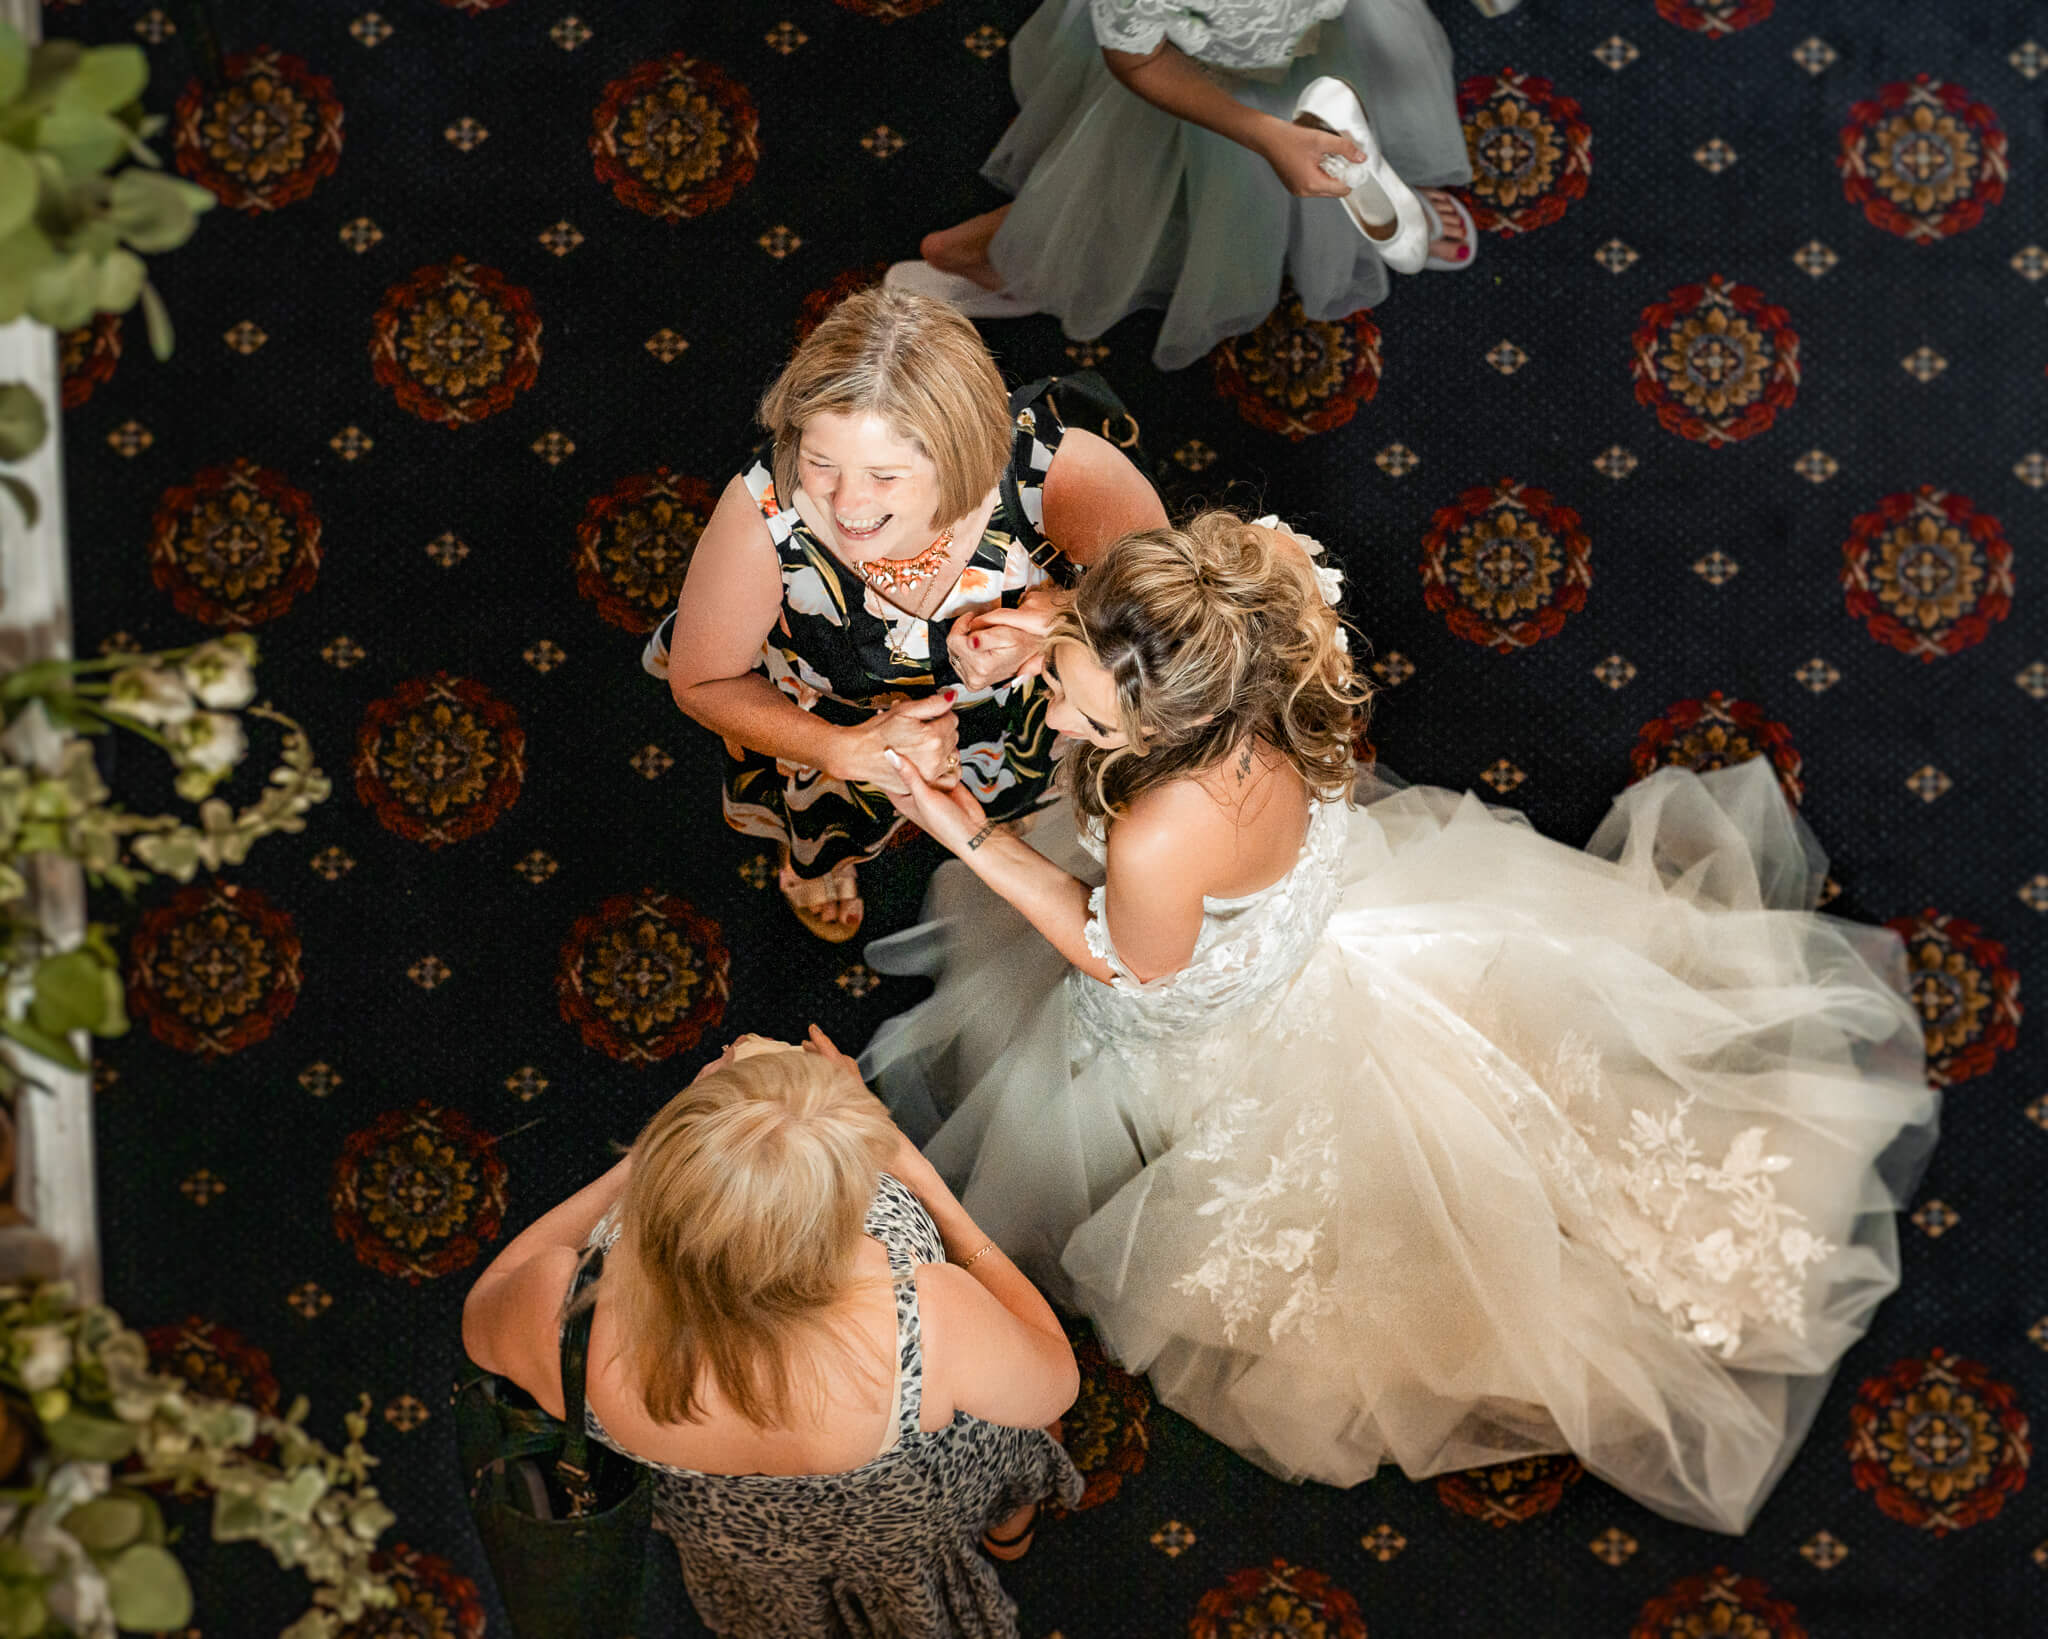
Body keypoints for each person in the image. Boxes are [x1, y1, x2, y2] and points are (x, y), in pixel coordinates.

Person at [860, 510, 1939, 1535]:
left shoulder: (1152, 836)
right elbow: (1146, 627)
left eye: (1091, 718)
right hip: (1316, 910)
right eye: (1070, 691)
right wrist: (1058, 626)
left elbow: (1126, 962)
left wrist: (966, 833)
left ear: (1174, 724)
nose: (1058, 718)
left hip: (1204, 990)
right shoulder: (1251, 641)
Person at [461, 1029, 1082, 1638]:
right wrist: (927, 1185)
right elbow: (1056, 1381)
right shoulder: (931, 1320)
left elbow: (482, 1311)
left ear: (663, 1191)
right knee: (1005, 1447)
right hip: (903, 1509)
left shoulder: (566, 1314)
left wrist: (651, 1155)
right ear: (846, 1213)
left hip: (730, 1531)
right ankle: (1007, 1529)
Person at [651, 286, 1164, 941]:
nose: (846, 505)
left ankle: (1003, 801)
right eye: (820, 462)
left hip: (1020, 707)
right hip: (833, 716)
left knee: (1018, 774)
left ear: (960, 451)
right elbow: (701, 681)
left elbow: (1161, 607)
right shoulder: (761, 517)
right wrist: (843, 748)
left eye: (885, 476)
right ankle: (821, 851)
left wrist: (1055, 621)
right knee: (827, 808)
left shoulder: (1054, 471)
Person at [888, 1, 1477, 370]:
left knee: (1363, 101)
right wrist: (1265, 134)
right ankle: (1017, 260)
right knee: (1163, 191)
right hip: (1210, 80)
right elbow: (1139, 60)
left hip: (1323, 27)